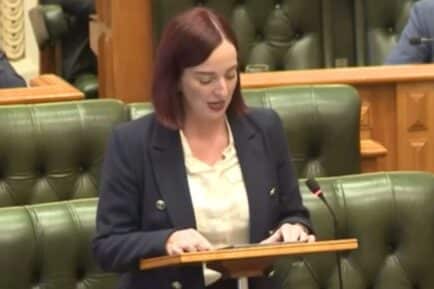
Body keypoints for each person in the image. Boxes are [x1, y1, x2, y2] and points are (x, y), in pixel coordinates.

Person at [93, 7, 315, 289]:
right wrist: (167, 239)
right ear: (176, 80)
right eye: (206, 79)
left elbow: (294, 212)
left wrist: (294, 228)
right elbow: (107, 246)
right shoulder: (133, 143)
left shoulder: (265, 130)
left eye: (231, 75)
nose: (222, 90)